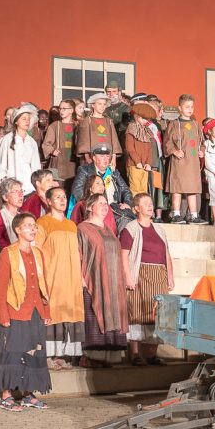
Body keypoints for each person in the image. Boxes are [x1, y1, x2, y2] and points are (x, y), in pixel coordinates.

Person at [0, 212, 54, 411]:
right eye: (28, 226)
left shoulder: (38, 253)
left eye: (34, 226)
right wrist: (3, 314)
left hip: (36, 310)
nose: (32, 229)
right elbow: (1, 288)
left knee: (34, 351)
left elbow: (43, 284)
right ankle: (6, 395)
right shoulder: (8, 253)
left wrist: (46, 310)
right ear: (18, 229)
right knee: (12, 352)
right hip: (16, 310)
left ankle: (27, 393)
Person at [75, 193, 129, 368]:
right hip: (94, 280)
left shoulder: (108, 229)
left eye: (106, 203)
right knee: (94, 317)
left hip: (112, 282)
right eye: (101, 203)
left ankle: (108, 357)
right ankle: (90, 357)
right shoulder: (83, 228)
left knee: (112, 314)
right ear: (91, 207)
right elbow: (78, 254)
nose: (105, 206)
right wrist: (81, 278)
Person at [119, 195, 174, 365]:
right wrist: (128, 276)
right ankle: (135, 354)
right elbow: (123, 255)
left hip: (159, 276)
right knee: (137, 312)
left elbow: (167, 254)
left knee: (158, 314)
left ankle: (151, 355)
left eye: (151, 203)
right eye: (146, 204)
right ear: (136, 209)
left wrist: (170, 276)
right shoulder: (131, 228)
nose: (150, 206)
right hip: (140, 274)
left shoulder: (159, 229)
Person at [34, 185, 84, 369]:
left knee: (70, 312)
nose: (62, 200)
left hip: (71, 277)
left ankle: (63, 354)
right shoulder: (42, 223)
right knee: (53, 313)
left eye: (64, 197)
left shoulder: (71, 225)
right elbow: (37, 251)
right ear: (48, 201)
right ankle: (47, 355)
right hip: (53, 276)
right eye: (57, 197)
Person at [69, 145, 132, 227]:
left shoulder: (113, 172)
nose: (105, 159)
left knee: (131, 220)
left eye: (107, 156)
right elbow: (77, 189)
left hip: (114, 208)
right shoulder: (85, 170)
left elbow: (125, 190)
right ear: (94, 158)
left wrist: (127, 203)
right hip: (94, 209)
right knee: (124, 221)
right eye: (102, 156)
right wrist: (91, 204)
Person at [162, 95, 202, 223]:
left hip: (193, 163)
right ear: (180, 108)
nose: (190, 109)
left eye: (192, 107)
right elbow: (167, 142)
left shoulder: (195, 124)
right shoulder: (174, 124)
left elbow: (201, 141)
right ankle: (176, 214)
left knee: (192, 189)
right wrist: (174, 151)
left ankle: (194, 215)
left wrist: (202, 151)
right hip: (179, 162)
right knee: (177, 188)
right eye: (187, 107)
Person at [122, 100, 161, 219]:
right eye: (143, 118)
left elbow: (149, 149)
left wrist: (148, 163)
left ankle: (143, 214)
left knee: (143, 190)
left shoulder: (146, 130)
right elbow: (130, 148)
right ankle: (134, 212)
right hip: (134, 165)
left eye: (147, 119)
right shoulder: (131, 128)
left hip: (144, 166)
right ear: (137, 116)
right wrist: (137, 161)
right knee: (135, 189)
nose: (145, 121)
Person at [0, 103, 41, 192]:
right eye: (24, 119)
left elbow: (36, 165)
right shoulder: (6, 140)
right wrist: (4, 181)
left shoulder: (32, 142)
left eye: (28, 119)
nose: (27, 121)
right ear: (16, 121)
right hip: (11, 185)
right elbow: (1, 164)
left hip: (29, 186)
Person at [73, 93, 120, 167]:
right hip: (91, 158)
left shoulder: (109, 121)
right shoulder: (87, 121)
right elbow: (84, 141)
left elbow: (114, 140)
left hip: (107, 158)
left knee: (106, 174)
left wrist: (113, 158)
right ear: (93, 105)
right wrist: (88, 159)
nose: (102, 107)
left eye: (104, 104)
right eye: (99, 104)